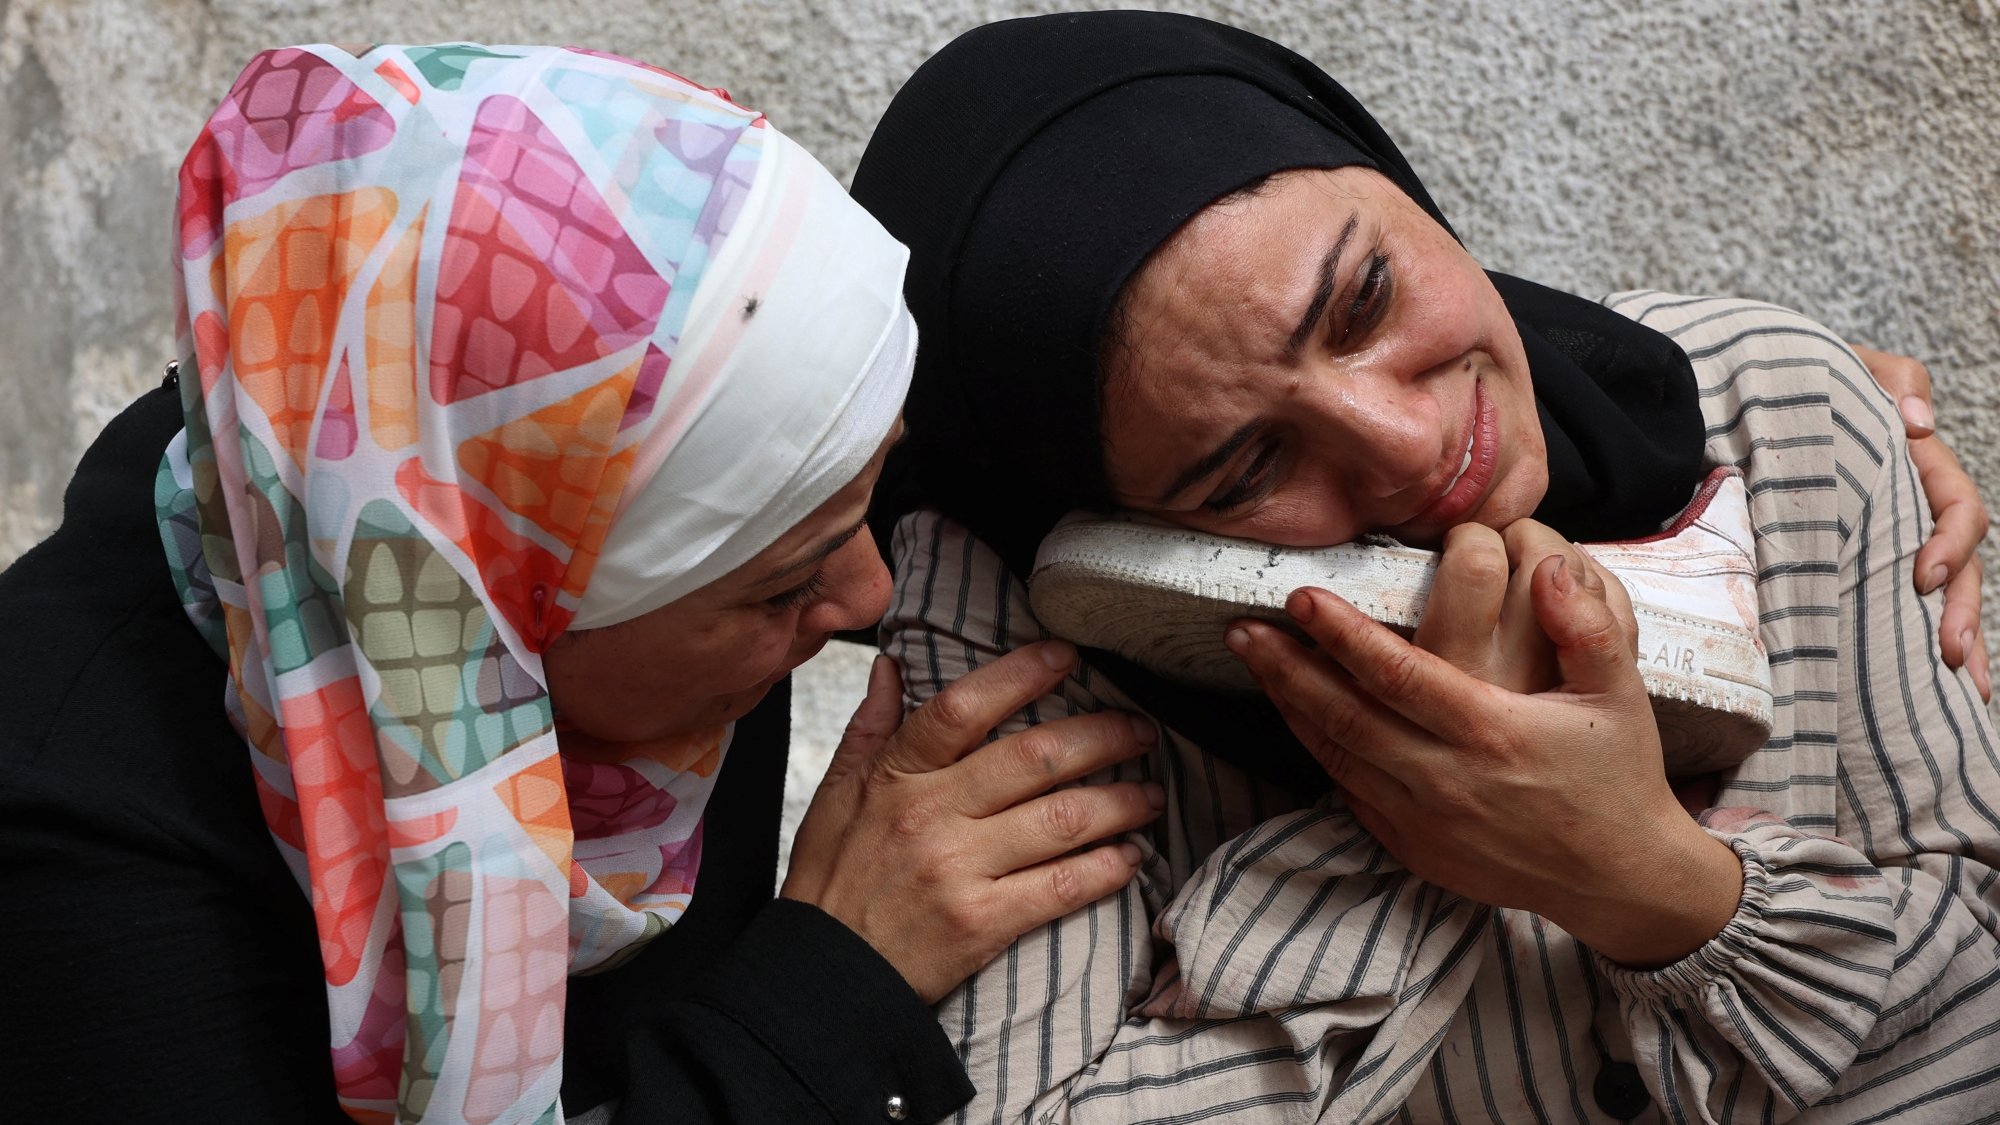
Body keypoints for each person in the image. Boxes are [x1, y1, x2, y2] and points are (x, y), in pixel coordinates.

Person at [849, 11, 2000, 1122]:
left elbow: (1972, 1015)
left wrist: (1651, 883)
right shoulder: (1023, 609)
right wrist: (1408, 823)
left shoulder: (1774, 409)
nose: (1405, 448)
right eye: (1244, 469)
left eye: (1364, 299)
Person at [0, 44, 1167, 1124]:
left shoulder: (531, 525)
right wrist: (829, 985)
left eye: (869, 496)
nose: (865, 599)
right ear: (483, 618)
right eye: (780, 587)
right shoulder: (75, 868)